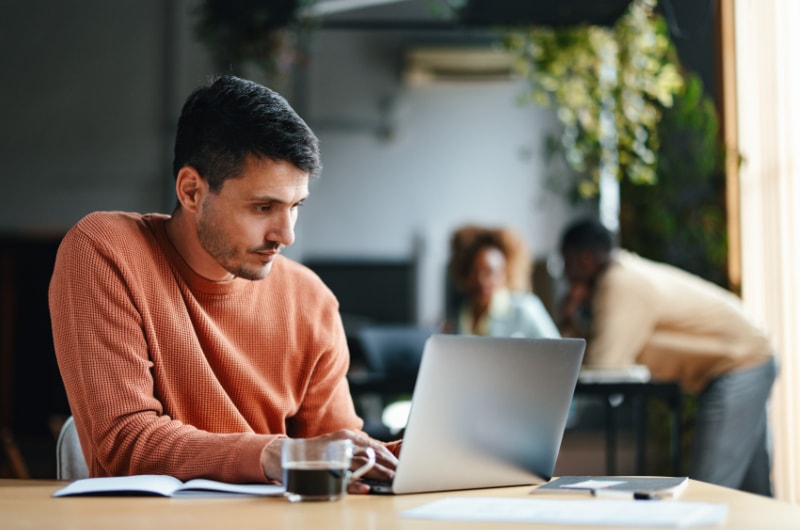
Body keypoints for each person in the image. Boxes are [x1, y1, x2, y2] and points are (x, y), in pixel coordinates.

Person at [48, 75, 398, 491]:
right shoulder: (105, 251)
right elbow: (125, 443)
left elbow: (342, 459)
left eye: (295, 206)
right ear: (192, 190)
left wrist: (408, 456)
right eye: (263, 206)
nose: (285, 235)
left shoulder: (311, 299)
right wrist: (275, 454)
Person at [559, 217, 778, 496]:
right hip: (751, 356)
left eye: (566, 262)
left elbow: (604, 366)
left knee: (708, 490)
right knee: (755, 492)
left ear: (585, 259)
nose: (565, 273)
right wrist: (574, 318)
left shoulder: (619, 283)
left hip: (740, 363)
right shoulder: (623, 274)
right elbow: (614, 345)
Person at [446, 225, 559, 338]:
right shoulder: (461, 311)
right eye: (474, 272)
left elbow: (558, 350)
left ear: (505, 274)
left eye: (490, 273)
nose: (481, 280)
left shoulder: (526, 308)